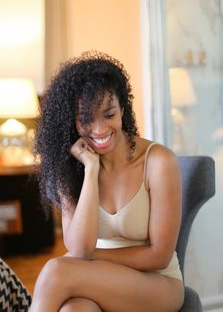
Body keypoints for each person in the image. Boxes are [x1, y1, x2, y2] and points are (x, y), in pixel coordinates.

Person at [30, 51, 184, 312]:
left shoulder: (158, 162)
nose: (99, 130)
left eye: (109, 114)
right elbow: (78, 248)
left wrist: (92, 257)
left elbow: (159, 256)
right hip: (98, 276)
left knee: (57, 270)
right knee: (73, 310)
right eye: (86, 119)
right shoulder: (70, 169)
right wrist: (90, 170)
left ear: (122, 108)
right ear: (73, 122)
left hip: (158, 284)